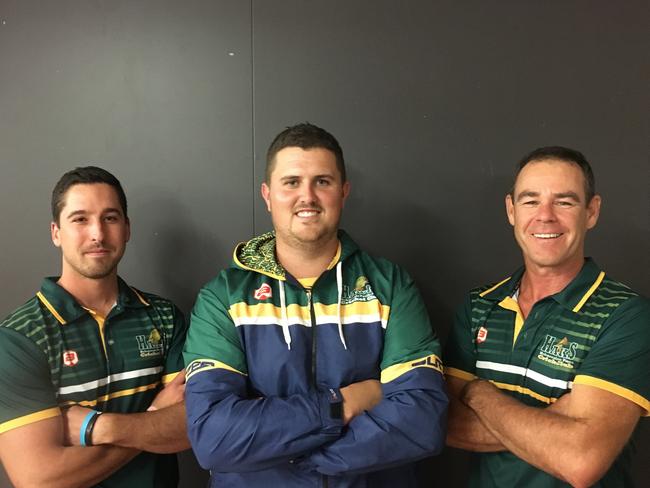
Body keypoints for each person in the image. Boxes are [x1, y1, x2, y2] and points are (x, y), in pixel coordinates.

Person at [183, 122, 448, 487]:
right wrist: (344, 402)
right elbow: (214, 436)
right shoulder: (225, 296)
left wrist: (289, 457)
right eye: (291, 182)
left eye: (322, 181)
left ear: (343, 191)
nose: (306, 196)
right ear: (267, 194)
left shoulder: (390, 286)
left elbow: (421, 419)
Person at [445, 146, 649, 487]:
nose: (545, 216)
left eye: (565, 201)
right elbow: (442, 424)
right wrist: (555, 421)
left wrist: (478, 394)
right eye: (530, 200)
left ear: (592, 211)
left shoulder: (627, 316)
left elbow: (579, 460)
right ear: (511, 210)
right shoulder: (478, 305)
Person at [0, 167, 190, 487]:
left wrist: (97, 427)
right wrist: (153, 418)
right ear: (55, 232)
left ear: (127, 228)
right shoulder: (18, 339)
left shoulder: (164, 317)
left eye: (110, 218)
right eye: (80, 219)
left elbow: (190, 428)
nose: (98, 234)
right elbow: (39, 479)